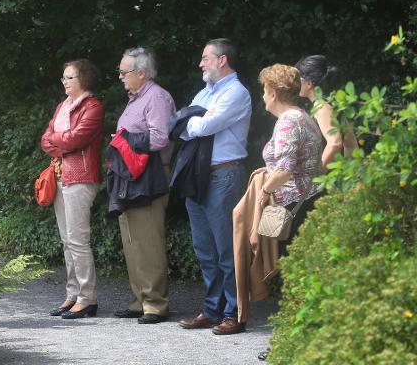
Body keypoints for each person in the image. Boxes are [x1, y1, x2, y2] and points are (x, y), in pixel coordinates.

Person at [243, 64, 324, 361]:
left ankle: (291, 344)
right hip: (303, 204)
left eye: (264, 91)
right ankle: (297, 340)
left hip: (291, 208)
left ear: (274, 93)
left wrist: (264, 192)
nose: (262, 96)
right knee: (297, 273)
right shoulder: (302, 117)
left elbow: (286, 170)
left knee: (289, 272)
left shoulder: (288, 120)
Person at [177, 38, 251, 335]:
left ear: (222, 60)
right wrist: (193, 120)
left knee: (227, 250)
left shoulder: (236, 92)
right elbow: (180, 126)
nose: (200, 63)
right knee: (204, 249)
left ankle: (235, 313)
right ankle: (212, 310)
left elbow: (202, 126)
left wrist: (193, 120)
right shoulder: (205, 92)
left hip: (224, 176)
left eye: (205, 58)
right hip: (198, 176)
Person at [112, 47, 175, 324]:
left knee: (147, 241)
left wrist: (124, 140)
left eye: (124, 72)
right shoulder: (135, 98)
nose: (120, 77)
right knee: (132, 240)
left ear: (142, 73)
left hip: (150, 175)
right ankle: (140, 299)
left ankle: (155, 304)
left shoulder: (156, 97)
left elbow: (160, 137)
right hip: (131, 176)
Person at [40, 59, 104, 319]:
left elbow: (76, 138)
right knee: (67, 242)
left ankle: (87, 299)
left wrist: (61, 141)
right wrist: (62, 142)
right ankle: (72, 295)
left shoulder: (93, 106)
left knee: (78, 241)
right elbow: (47, 140)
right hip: (59, 176)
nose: (64, 82)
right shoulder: (62, 106)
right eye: (63, 77)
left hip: (81, 177)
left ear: (84, 80)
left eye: (70, 78)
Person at [295, 55, 357, 170]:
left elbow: (335, 143)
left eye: (298, 79)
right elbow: (350, 142)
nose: (295, 83)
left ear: (309, 83)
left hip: (328, 181)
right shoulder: (333, 104)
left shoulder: (321, 107)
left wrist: (316, 176)